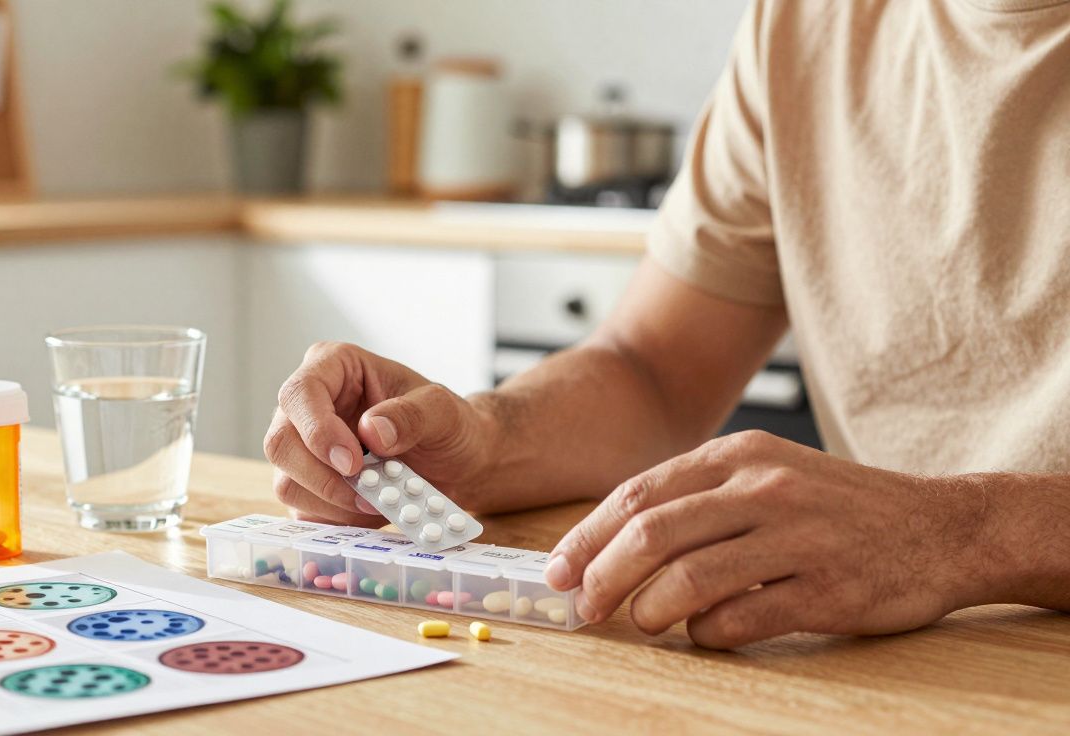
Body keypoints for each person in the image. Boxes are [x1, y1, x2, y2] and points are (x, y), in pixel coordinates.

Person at [262, 0, 1070, 649]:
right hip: (904, 659)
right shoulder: (802, 26)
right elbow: (650, 367)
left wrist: (960, 535)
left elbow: (941, 538)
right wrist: (486, 438)